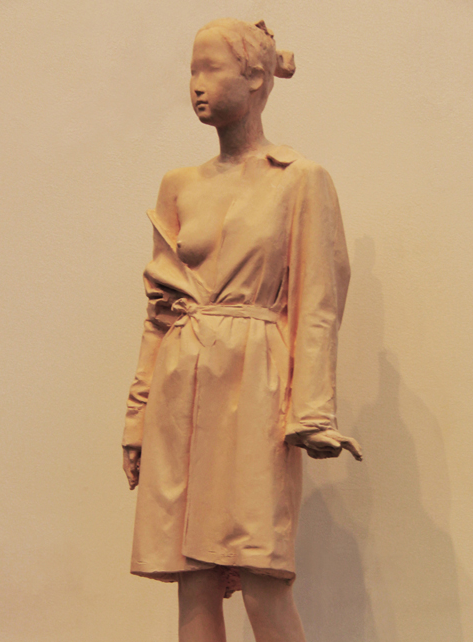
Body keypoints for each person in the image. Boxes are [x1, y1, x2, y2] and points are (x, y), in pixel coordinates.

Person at [122, 18, 362, 642]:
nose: (196, 85)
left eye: (210, 69)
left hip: (256, 384)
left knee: (262, 574)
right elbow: (160, 312)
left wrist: (312, 412)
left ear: (254, 76)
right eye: (191, 71)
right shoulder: (180, 185)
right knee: (193, 578)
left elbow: (318, 301)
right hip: (180, 386)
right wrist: (137, 420)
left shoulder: (299, 178)